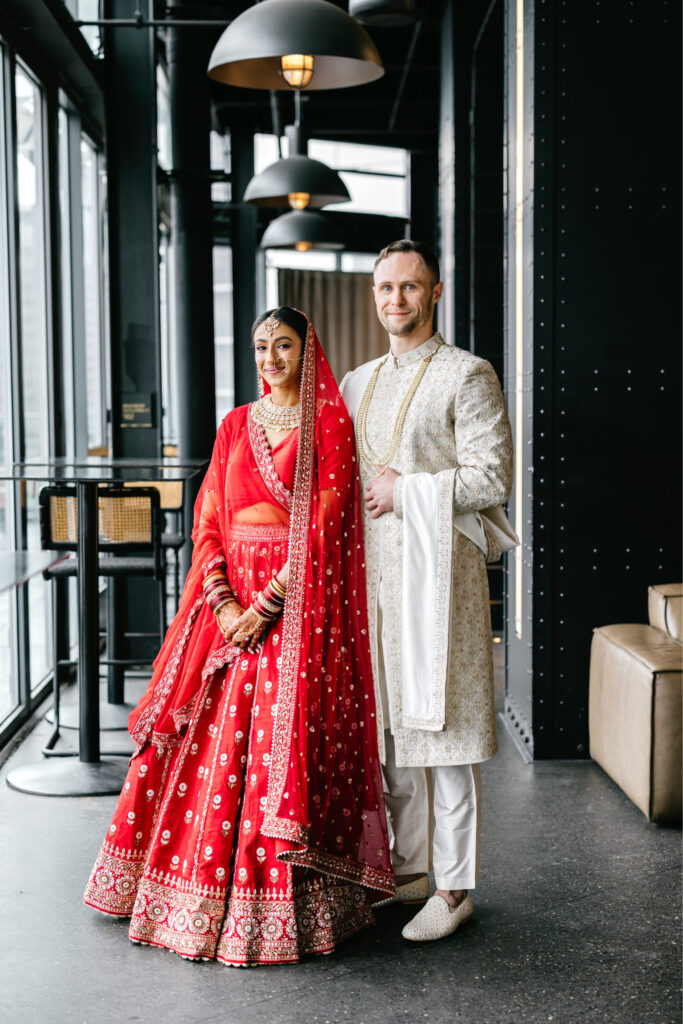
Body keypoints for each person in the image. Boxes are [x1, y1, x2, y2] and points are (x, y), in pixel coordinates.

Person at [83, 307, 394, 966]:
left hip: (293, 609)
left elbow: (324, 526)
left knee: (275, 742)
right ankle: (178, 895)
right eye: (260, 347)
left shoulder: (328, 424)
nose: (270, 358)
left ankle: (270, 912)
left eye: (283, 346)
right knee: (197, 734)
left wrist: (267, 606)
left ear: (306, 352)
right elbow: (209, 521)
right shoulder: (234, 424)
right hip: (225, 609)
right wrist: (223, 602)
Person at [340, 240, 516, 943]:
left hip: (442, 582)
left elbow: (491, 477)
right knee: (390, 732)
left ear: (434, 293)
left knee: (444, 733)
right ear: (374, 294)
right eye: (386, 287)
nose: (396, 299)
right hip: (373, 582)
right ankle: (410, 870)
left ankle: (454, 888)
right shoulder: (357, 383)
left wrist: (405, 490)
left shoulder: (466, 373)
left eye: (410, 287)